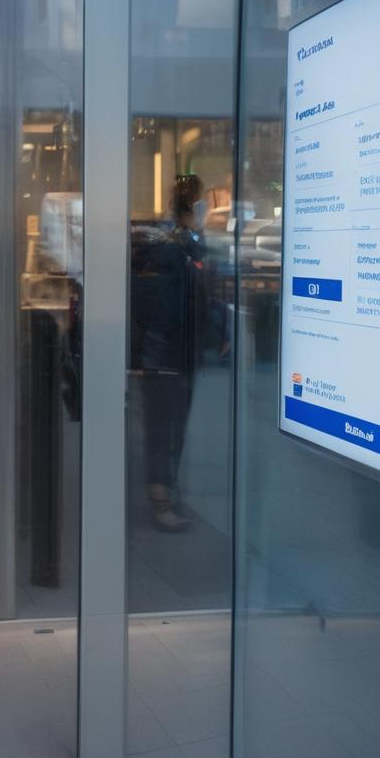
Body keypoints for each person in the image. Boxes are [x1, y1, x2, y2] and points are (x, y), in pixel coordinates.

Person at [130, 174, 213, 533]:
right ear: (193, 205)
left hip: (179, 355)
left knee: (173, 428)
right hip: (166, 357)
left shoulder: (188, 247)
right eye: (203, 202)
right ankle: (161, 499)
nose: (207, 209)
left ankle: (167, 492)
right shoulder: (171, 250)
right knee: (163, 429)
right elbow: (170, 308)